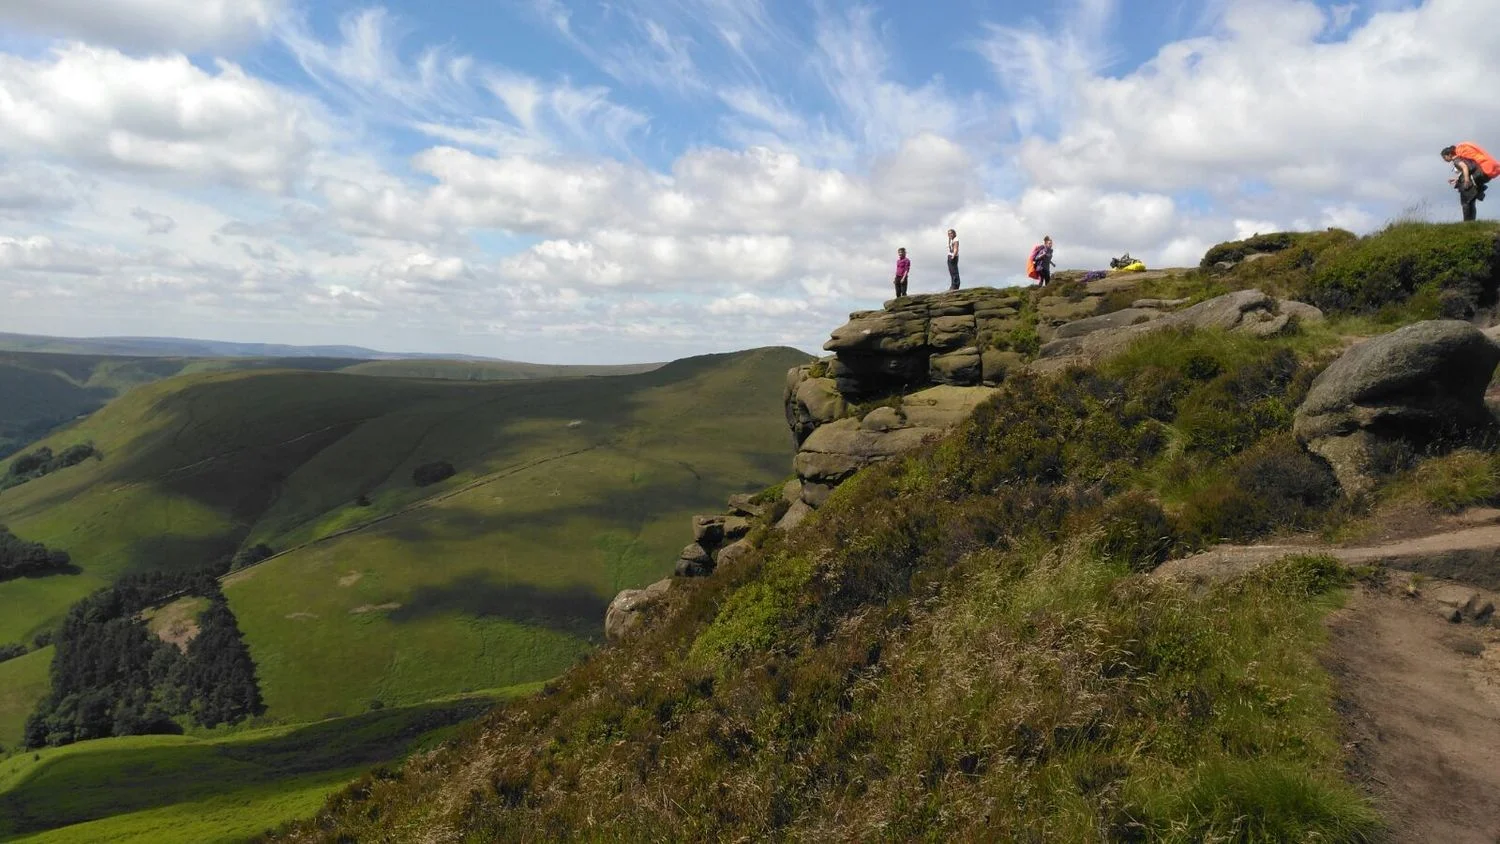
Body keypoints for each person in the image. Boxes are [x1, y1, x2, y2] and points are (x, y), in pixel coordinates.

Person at [1443, 143, 1497, 222]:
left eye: (1444, 157)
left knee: (1465, 202)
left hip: (1470, 181)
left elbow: (1465, 167)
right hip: (1475, 179)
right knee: (1471, 202)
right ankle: (1472, 222)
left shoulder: (1456, 160)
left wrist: (1466, 180)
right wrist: (1457, 179)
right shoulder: (1461, 158)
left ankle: (1467, 223)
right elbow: (1468, 168)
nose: (1444, 159)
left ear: (1449, 154)